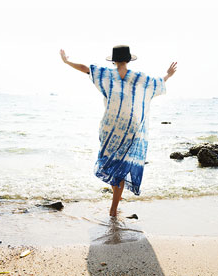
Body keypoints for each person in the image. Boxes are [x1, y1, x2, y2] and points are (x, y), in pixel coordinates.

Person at [60, 45, 177, 217]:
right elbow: (158, 83)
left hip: (110, 127)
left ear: (114, 60)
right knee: (121, 167)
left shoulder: (106, 75)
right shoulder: (140, 78)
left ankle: (114, 204)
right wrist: (168, 74)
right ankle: (114, 206)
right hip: (131, 128)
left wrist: (67, 61)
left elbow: (86, 69)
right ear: (129, 60)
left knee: (113, 164)